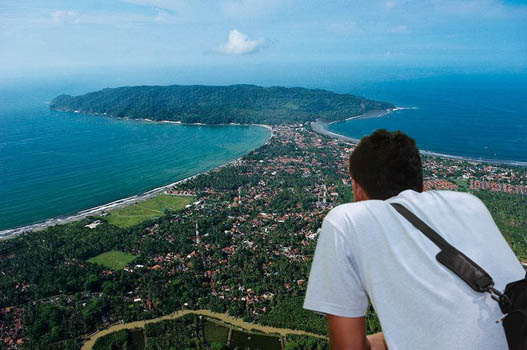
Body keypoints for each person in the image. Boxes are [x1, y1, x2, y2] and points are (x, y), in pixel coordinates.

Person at [303, 129, 525, 350]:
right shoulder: (470, 203)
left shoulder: (345, 219)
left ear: (357, 190)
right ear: (421, 184)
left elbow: (348, 347)